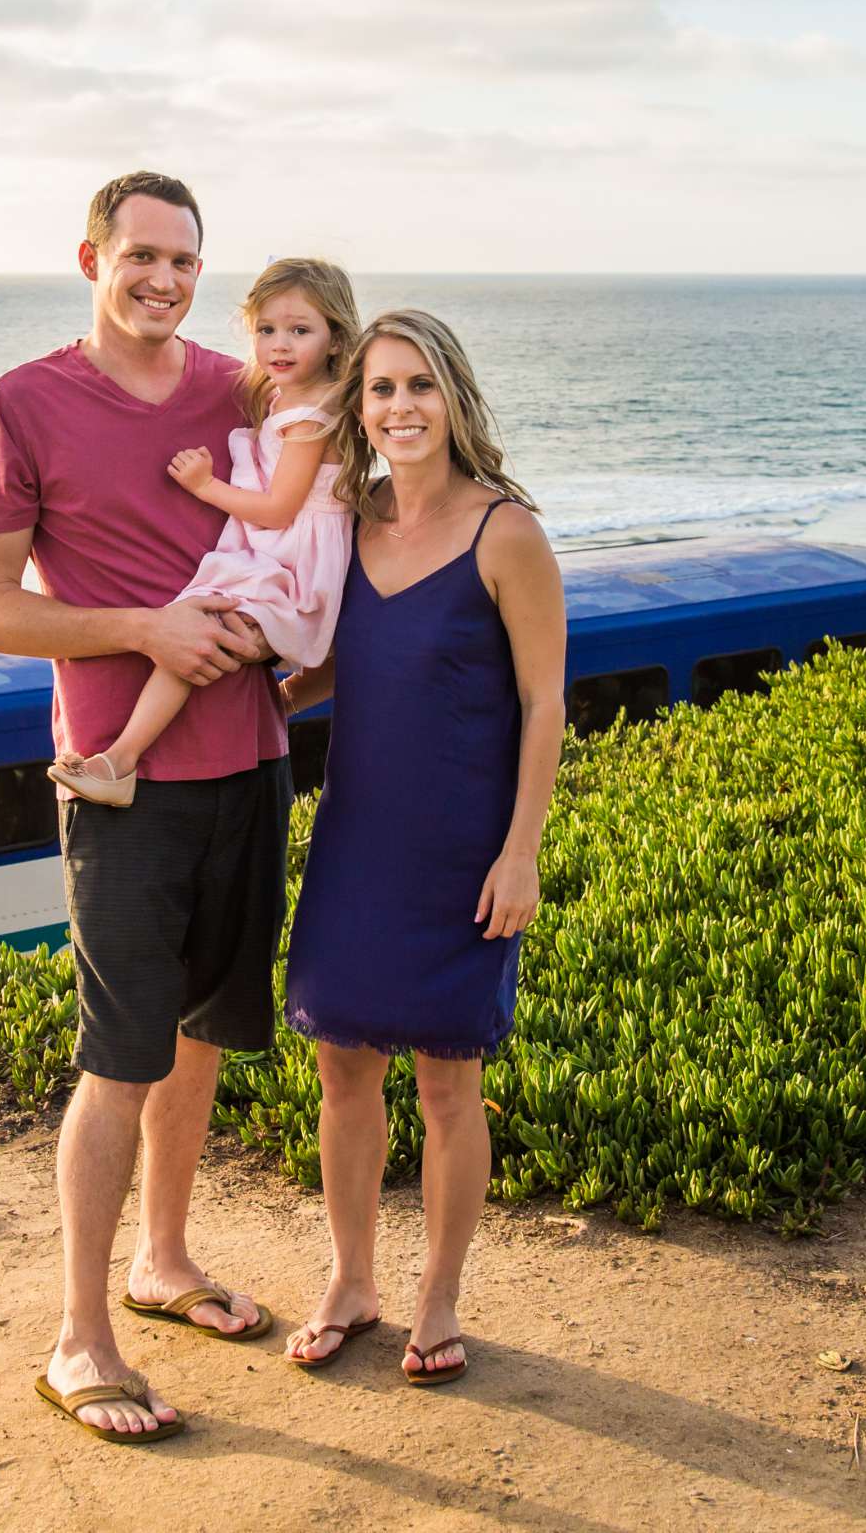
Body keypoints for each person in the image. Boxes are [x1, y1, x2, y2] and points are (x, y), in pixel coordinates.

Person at [0, 172, 290, 1444]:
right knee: (118, 1057)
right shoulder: (25, 402)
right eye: (142, 255)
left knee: (201, 1033)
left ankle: (164, 1260)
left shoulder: (233, 388)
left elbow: (312, 501)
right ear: (91, 255)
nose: (164, 279)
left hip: (250, 758)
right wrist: (143, 627)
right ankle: (79, 1338)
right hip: (123, 778)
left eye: (186, 261)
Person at [276, 310, 566, 1387]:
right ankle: (352, 1280)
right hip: (357, 842)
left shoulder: (508, 533)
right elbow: (361, 654)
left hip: (461, 852)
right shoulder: (349, 526)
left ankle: (438, 1298)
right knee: (342, 1074)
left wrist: (521, 851)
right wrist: (281, 689)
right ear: (358, 411)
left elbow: (544, 702)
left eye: (419, 386)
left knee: (450, 1090)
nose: (400, 407)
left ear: (455, 399)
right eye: (380, 390)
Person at [50, 259, 360, 806]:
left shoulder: (312, 416)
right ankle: (119, 759)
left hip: (293, 560)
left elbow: (277, 508)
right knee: (199, 627)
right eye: (266, 330)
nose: (278, 345)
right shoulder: (285, 398)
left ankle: (119, 761)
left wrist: (204, 485)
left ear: (335, 339)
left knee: (198, 632)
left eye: (300, 330)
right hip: (278, 553)